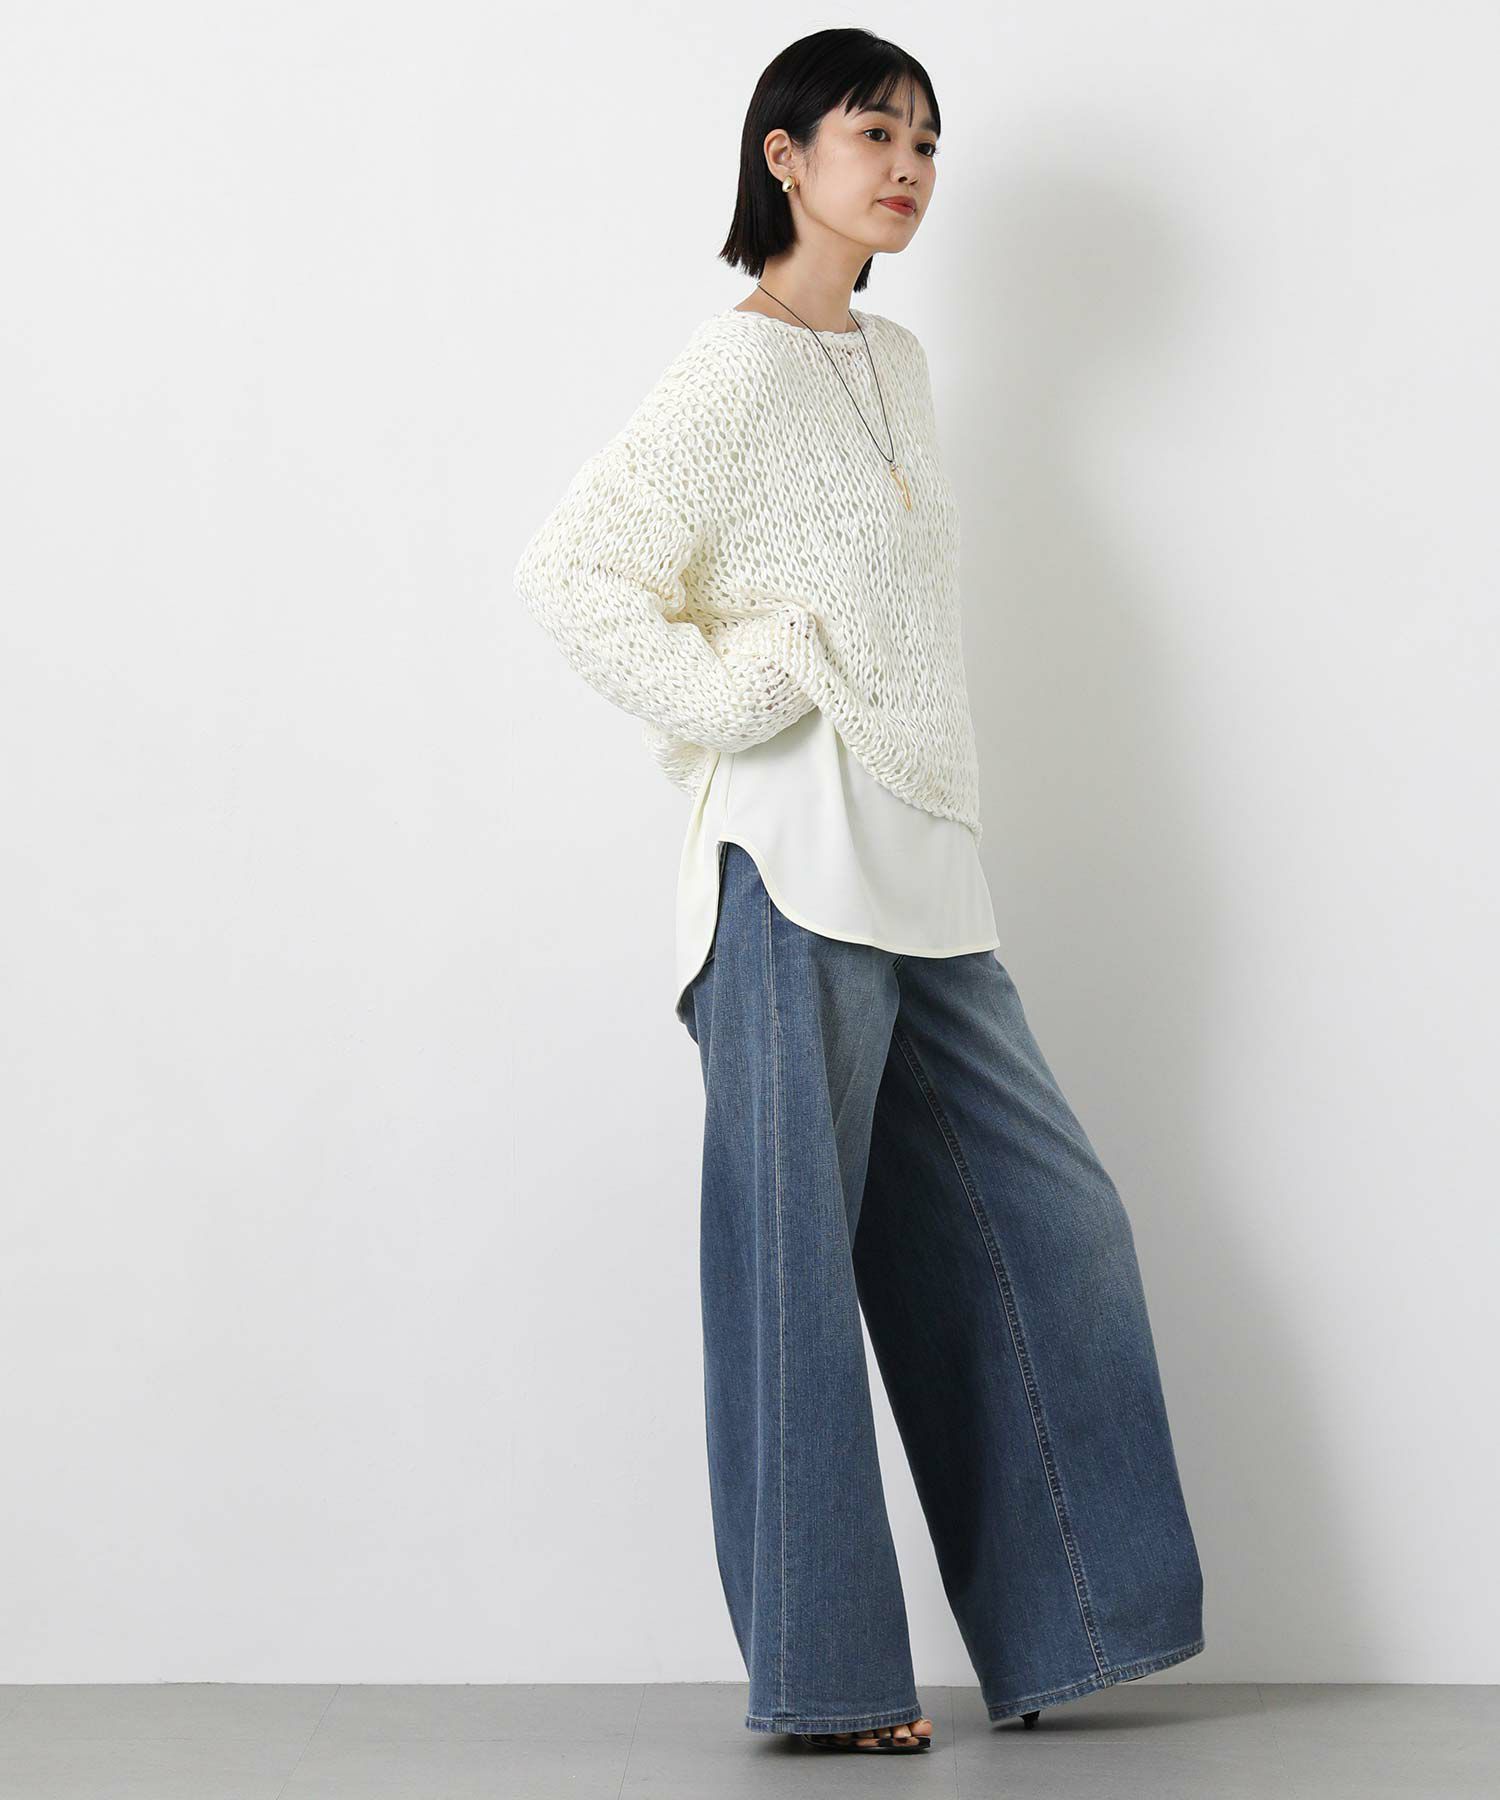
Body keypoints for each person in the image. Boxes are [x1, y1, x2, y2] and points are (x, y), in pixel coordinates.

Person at [514, 27, 1205, 1757]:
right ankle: (828, 1685)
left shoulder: (898, 359)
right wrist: (744, 691)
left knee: (1055, 1224)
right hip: (786, 863)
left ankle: (1065, 1628)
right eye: (873, 132)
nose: (907, 166)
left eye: (928, 142)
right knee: (791, 1280)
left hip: (925, 868)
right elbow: (574, 575)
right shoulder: (733, 368)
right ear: (784, 156)